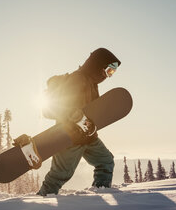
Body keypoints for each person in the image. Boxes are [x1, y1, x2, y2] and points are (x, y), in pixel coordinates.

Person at [37, 48, 121, 196]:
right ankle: (42, 202)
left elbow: (92, 111)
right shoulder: (77, 79)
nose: (108, 75)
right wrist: (74, 115)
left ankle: (101, 192)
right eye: (108, 70)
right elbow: (56, 106)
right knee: (60, 175)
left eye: (112, 73)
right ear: (98, 65)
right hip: (70, 137)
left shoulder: (92, 83)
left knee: (106, 162)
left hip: (88, 136)